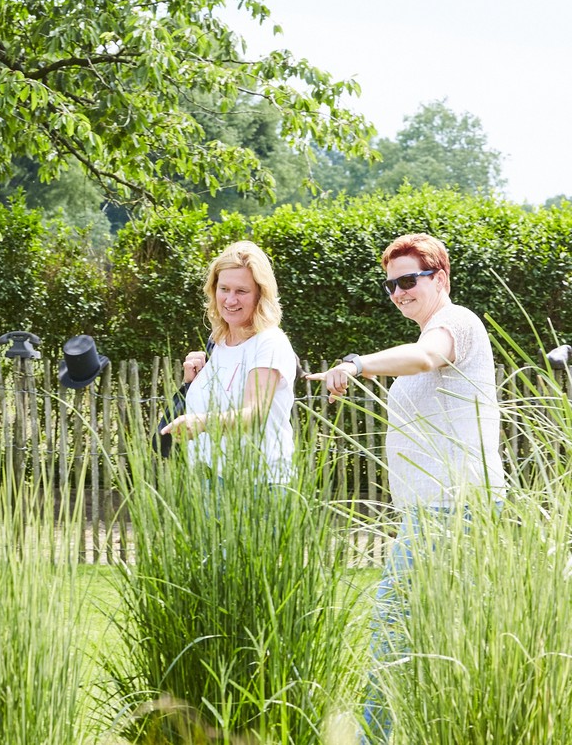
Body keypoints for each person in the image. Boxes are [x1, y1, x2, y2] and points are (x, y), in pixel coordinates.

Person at [305, 233, 506, 743]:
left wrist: (356, 363)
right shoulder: (427, 332)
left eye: (408, 280)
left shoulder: (455, 322)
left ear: (439, 277)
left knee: (392, 630)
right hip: (432, 512)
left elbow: (424, 358)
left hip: (454, 508)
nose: (398, 292)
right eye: (391, 284)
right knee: (436, 639)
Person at [161, 240, 297, 483]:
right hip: (205, 481)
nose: (230, 300)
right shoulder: (218, 342)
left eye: (241, 291)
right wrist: (192, 383)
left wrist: (203, 423)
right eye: (224, 289)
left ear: (260, 295)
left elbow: (254, 413)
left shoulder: (269, 342)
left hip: (258, 486)